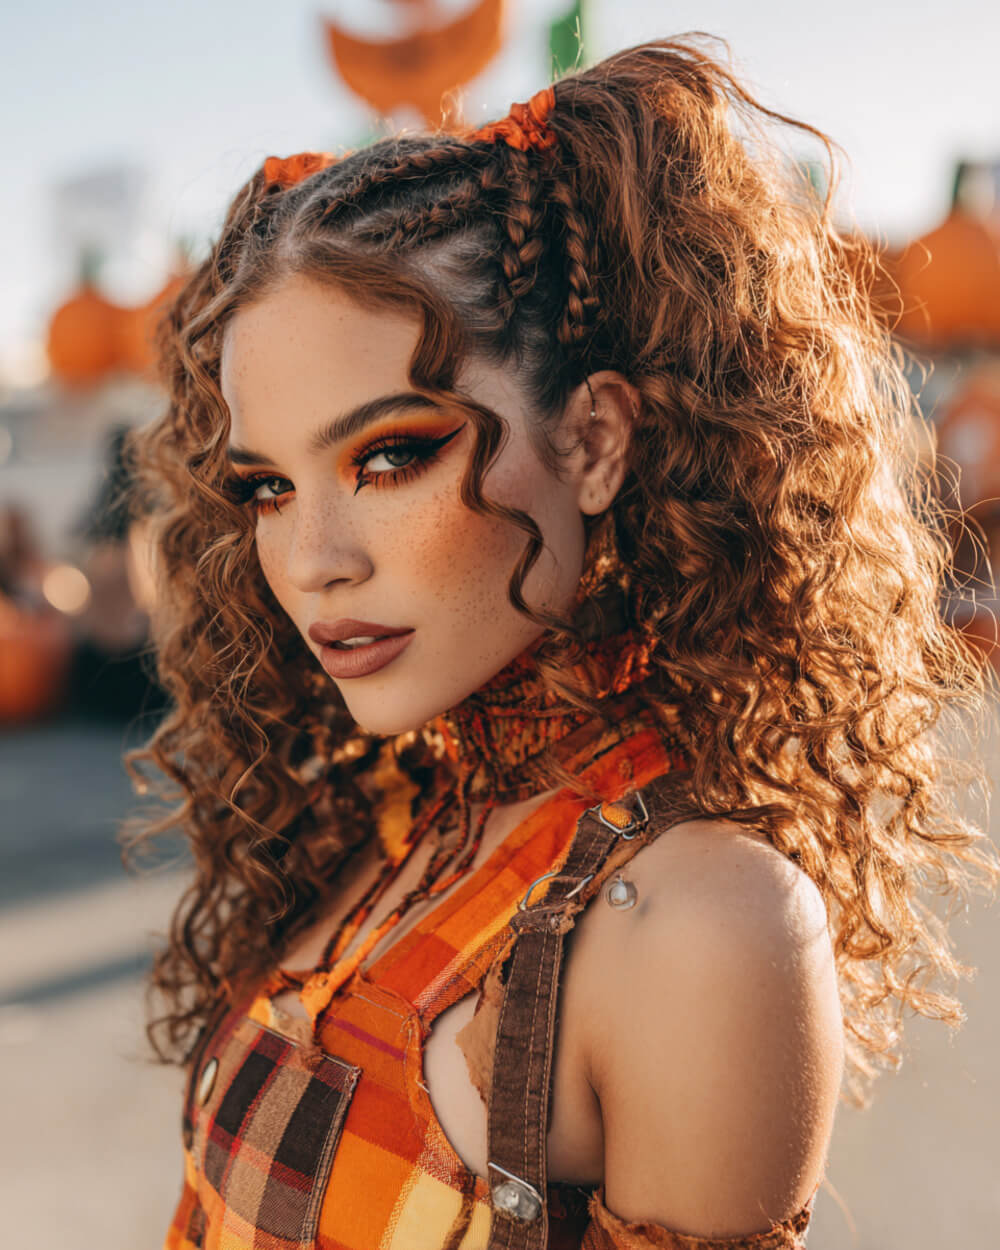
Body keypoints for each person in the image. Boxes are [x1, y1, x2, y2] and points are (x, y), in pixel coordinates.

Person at [125, 34, 998, 1250]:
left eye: (389, 454)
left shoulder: (699, 924)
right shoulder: (403, 808)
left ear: (592, 442)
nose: (311, 556)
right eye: (268, 486)